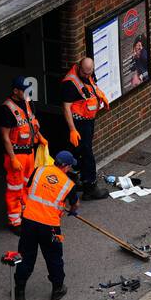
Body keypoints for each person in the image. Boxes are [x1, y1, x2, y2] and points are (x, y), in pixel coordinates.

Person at [14, 150, 79, 300]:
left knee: (26, 255)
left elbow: (31, 188)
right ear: (66, 166)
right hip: (50, 226)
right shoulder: (69, 184)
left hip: (29, 221)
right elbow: (75, 204)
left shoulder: (40, 170)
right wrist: (72, 211)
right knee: (54, 257)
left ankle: (19, 290)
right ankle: (57, 289)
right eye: (70, 167)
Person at [60, 56, 109, 200]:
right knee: (87, 155)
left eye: (89, 73)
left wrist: (100, 97)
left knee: (79, 153)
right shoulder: (70, 83)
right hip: (78, 125)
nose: (87, 76)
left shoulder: (88, 74)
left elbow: (91, 87)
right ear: (79, 67)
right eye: (85, 73)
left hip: (87, 123)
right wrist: (72, 129)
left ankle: (77, 181)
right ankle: (91, 188)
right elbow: (66, 108)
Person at [0, 75, 41, 229]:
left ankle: (25, 213)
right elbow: (5, 137)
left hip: (29, 152)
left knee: (27, 185)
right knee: (15, 189)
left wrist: (40, 138)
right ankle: (15, 221)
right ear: (15, 91)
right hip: (16, 154)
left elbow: (32, 124)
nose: (27, 93)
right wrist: (12, 158)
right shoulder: (7, 109)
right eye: (24, 91)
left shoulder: (28, 103)